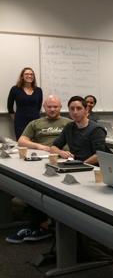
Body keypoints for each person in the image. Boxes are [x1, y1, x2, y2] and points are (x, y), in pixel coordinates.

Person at [8, 95, 71, 244]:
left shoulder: (68, 123)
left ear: (60, 107)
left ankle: (41, 225)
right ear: (44, 107)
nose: (52, 109)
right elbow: (22, 140)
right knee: (33, 187)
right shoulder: (36, 123)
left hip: (62, 161)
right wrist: (41, 147)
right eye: (49, 106)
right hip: (40, 160)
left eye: (55, 106)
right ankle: (39, 224)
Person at [50, 96, 107, 165]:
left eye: (79, 108)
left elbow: (99, 156)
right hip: (76, 165)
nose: (75, 112)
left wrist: (80, 165)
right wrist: (61, 152)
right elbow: (53, 147)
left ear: (86, 110)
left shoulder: (96, 130)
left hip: (92, 168)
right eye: (72, 109)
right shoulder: (69, 127)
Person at [7, 67, 43, 139]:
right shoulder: (15, 89)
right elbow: (10, 106)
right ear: (22, 76)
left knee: (36, 141)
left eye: (31, 74)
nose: (29, 76)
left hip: (35, 121)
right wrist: (16, 118)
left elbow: (39, 106)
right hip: (20, 121)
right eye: (26, 74)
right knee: (22, 142)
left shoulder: (38, 90)